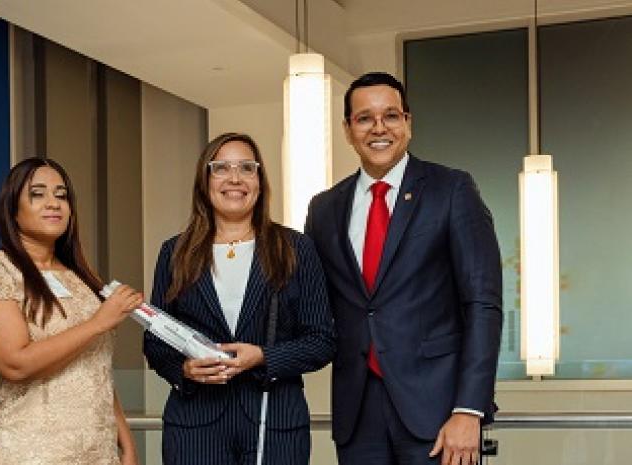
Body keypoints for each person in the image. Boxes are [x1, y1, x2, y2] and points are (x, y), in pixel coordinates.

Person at [304, 72, 503, 465]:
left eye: (391, 116)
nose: (379, 128)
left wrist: (469, 409)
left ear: (408, 124)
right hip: (357, 413)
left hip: (440, 412)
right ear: (347, 129)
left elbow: (483, 303)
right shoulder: (324, 208)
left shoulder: (452, 190)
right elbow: (309, 301)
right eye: (364, 118)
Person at [143, 132, 335, 465]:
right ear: (205, 181)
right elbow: (156, 342)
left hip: (274, 423)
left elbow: (322, 341)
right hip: (194, 425)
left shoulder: (295, 248)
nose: (235, 178)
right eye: (222, 168)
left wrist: (262, 356)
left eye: (247, 168)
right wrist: (185, 369)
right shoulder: (174, 253)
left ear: (259, 181)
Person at [0, 157, 141, 465]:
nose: (53, 203)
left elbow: (96, 371)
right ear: (13, 210)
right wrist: (98, 323)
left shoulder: (81, 278)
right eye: (38, 193)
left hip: (99, 453)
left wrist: (126, 444)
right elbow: (15, 364)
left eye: (61, 194)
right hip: (31, 452)